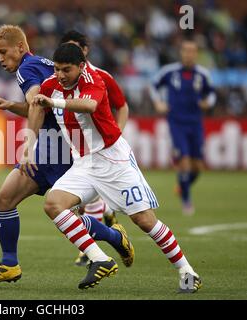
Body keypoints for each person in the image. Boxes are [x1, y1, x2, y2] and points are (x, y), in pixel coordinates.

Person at [24, 43, 201, 291]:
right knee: (53, 204)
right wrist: (28, 144)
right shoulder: (51, 84)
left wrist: (55, 103)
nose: (61, 75)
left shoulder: (94, 79)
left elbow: (89, 106)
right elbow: (36, 108)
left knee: (144, 220)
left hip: (113, 161)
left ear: (81, 66)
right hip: (84, 164)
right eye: (57, 69)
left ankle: (187, 271)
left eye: (66, 70)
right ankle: (100, 259)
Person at [0, 25, 134, 286]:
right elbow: (40, 106)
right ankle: (9, 264)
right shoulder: (40, 63)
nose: (1, 59)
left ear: (20, 47)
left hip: (58, 150)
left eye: (4, 52)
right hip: (53, 148)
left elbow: (37, 104)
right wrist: (11, 105)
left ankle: (112, 241)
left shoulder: (26, 69)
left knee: (58, 210)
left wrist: (27, 145)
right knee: (5, 198)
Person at [60, 30, 131, 266]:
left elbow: (122, 106)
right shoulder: (58, 78)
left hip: (100, 148)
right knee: (76, 204)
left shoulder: (101, 76)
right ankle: (107, 227)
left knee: (84, 200)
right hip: (75, 147)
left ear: (85, 51)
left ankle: (91, 251)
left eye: (74, 48)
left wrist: (116, 134)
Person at [150, 39, 215, 215]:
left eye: (192, 51)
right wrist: (159, 103)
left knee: (198, 167)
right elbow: (153, 86)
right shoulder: (170, 72)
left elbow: (211, 94)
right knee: (184, 161)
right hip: (176, 122)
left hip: (195, 123)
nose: (188, 54)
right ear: (181, 53)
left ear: (196, 54)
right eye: (185, 50)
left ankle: (182, 185)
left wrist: (207, 103)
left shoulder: (202, 74)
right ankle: (186, 200)